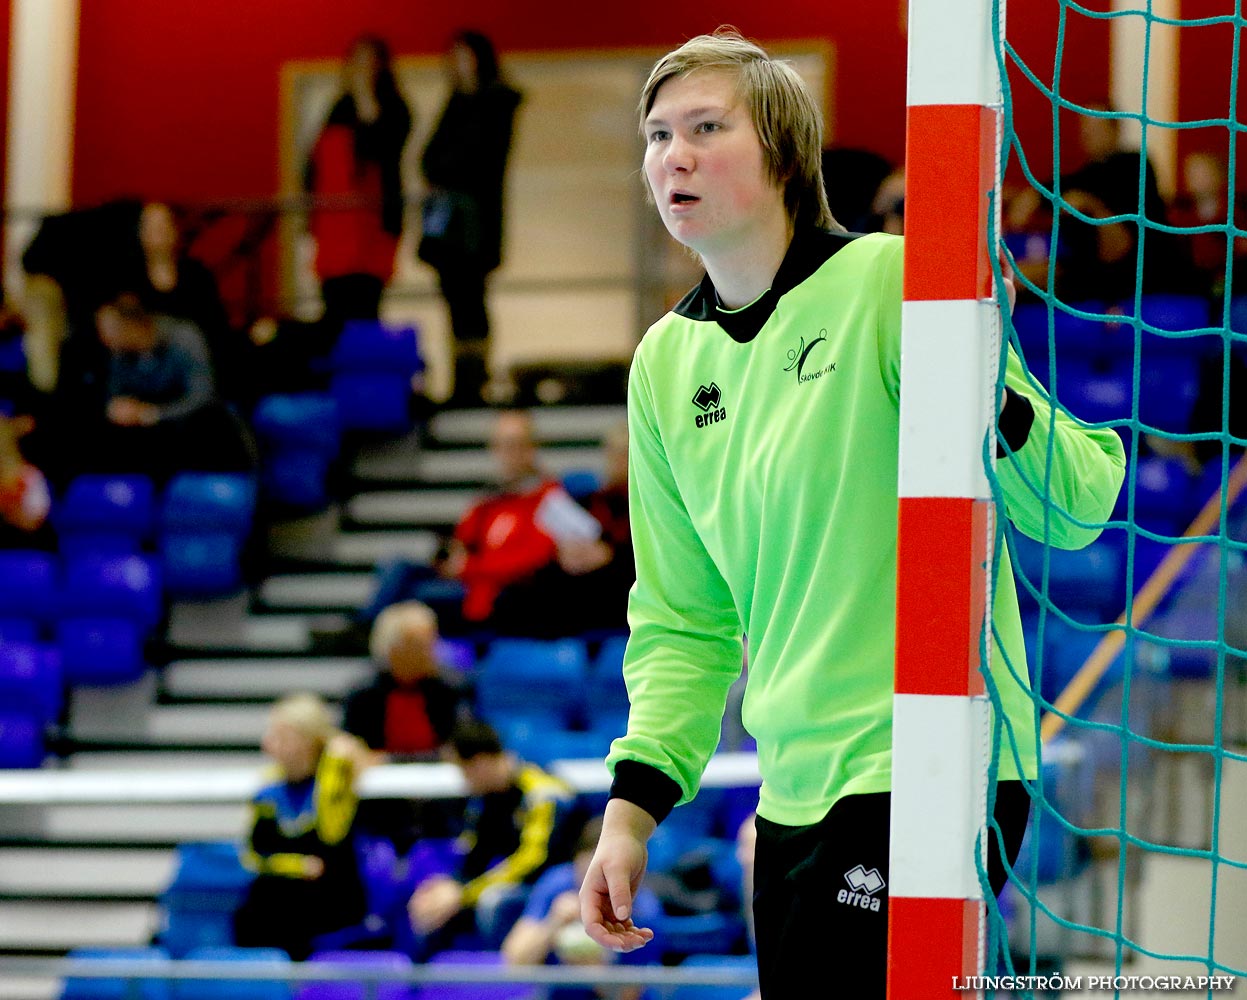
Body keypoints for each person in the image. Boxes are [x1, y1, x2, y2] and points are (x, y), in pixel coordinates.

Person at [577, 30, 1126, 1000]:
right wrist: (629, 812)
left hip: (939, 756)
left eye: (706, 126)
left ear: (783, 154)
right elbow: (681, 619)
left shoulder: (886, 280)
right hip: (792, 788)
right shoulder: (663, 366)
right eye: (657, 135)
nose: (674, 154)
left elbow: (1076, 503)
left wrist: (977, 381)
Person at [406, 720, 576, 956]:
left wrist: (464, 894)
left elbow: (532, 860)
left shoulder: (542, 793)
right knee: (431, 901)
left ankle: (504, 984)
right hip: (519, 885)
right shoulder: (485, 799)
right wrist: (450, 887)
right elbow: (476, 853)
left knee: (493, 902)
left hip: (560, 885)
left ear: (480, 763)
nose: (463, 780)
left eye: (463, 770)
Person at [419, 31, 522, 406]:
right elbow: (430, 158)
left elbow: (473, 159)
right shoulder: (456, 102)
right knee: (456, 300)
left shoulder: (495, 101)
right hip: (453, 228)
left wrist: (446, 171)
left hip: (472, 225)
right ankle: (463, 380)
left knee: (469, 301)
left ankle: (473, 381)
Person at [233, 693, 373, 960]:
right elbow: (253, 853)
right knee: (255, 906)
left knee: (302, 905)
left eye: (282, 736)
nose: (269, 744)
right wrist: (298, 866)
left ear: (309, 741)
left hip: (332, 893)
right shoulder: (267, 787)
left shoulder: (333, 778)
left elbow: (333, 836)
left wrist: (335, 760)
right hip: (280, 891)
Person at [84, 291, 253, 481]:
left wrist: (153, 414)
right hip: (146, 437)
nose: (104, 338)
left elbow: (202, 397)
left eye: (110, 331)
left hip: (191, 428)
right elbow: (115, 394)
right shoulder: (118, 353)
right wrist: (118, 408)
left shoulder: (184, 338)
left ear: (133, 326)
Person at [307, 35, 412, 333]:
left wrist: (366, 93)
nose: (361, 70)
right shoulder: (338, 108)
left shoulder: (395, 108)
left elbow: (380, 144)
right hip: (333, 230)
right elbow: (315, 167)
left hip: (372, 231)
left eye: (369, 63)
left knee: (365, 310)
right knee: (333, 314)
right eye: (356, 62)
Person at [502, 816, 661, 1000]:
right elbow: (514, 962)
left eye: (605, 877)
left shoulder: (643, 908)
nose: (594, 888)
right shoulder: (556, 883)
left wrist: (594, 971)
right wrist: (552, 925)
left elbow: (628, 996)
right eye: (587, 875)